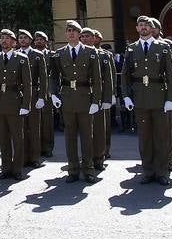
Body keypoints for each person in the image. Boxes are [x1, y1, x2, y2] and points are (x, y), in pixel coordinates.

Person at [122, 16, 172, 186]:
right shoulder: (131, 49)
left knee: (161, 136)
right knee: (145, 137)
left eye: (146, 25)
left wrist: (171, 97)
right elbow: (126, 75)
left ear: (151, 28)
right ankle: (148, 171)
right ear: (137, 29)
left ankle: (162, 171)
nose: (144, 28)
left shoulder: (163, 47)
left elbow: (171, 74)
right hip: (140, 96)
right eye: (140, 25)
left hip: (159, 96)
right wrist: (126, 96)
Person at [49, 20, 101, 183]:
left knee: (87, 136)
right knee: (69, 136)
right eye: (68, 30)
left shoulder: (91, 53)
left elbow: (97, 79)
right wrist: (54, 94)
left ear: (79, 34)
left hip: (85, 96)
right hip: (67, 98)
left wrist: (96, 101)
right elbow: (53, 76)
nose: (70, 33)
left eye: (74, 30)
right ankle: (72, 170)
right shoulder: (59, 53)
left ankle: (89, 169)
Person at [0, 28, 32, 180]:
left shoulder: (21, 58)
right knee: (2, 137)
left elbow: (27, 84)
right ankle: (5, 168)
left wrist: (26, 105)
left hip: (15, 100)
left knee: (17, 137)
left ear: (13, 42)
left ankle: (17, 168)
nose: (4, 40)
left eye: (7, 38)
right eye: (2, 38)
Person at [15, 29, 49, 170]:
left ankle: (35, 158)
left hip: (34, 93)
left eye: (25, 38)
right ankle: (23, 157)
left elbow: (43, 78)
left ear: (30, 40)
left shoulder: (37, 55)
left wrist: (42, 96)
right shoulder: (15, 55)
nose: (22, 40)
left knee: (34, 127)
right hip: (19, 94)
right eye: (20, 38)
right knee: (20, 128)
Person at [84, 27, 115, 171]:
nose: (87, 39)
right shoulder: (80, 53)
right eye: (83, 36)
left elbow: (110, 77)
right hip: (84, 95)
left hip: (101, 95)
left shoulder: (104, 55)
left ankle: (101, 155)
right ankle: (88, 156)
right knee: (86, 129)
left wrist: (110, 96)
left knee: (101, 128)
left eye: (91, 36)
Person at [32, 31, 56, 156]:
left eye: (41, 39)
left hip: (47, 90)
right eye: (36, 40)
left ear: (46, 41)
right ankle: (37, 146)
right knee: (35, 121)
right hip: (35, 90)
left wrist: (53, 91)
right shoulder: (31, 54)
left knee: (47, 120)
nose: (38, 42)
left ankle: (47, 147)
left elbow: (56, 74)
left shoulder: (52, 55)